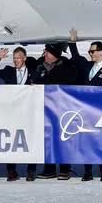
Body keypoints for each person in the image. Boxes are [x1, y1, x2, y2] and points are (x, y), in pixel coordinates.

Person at [68, 38, 102, 182]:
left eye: (92, 51)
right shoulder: (88, 66)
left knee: (101, 142)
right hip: (86, 111)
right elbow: (76, 58)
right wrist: (72, 43)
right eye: (89, 51)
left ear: (101, 52)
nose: (90, 53)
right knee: (87, 141)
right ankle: (88, 171)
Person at [31, 40, 77, 179]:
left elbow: (70, 82)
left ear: (53, 54)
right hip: (43, 108)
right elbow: (33, 79)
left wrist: (44, 81)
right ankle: (49, 169)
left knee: (63, 139)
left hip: (62, 108)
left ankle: (64, 169)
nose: (44, 54)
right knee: (47, 139)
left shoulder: (68, 66)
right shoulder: (39, 65)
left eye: (47, 51)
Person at [0, 46, 38, 181]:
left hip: (29, 113)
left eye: (18, 58)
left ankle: (31, 171)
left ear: (24, 58)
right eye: (14, 58)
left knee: (31, 141)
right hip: (12, 113)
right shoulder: (8, 71)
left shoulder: (34, 73)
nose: (15, 61)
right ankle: (11, 171)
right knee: (11, 141)